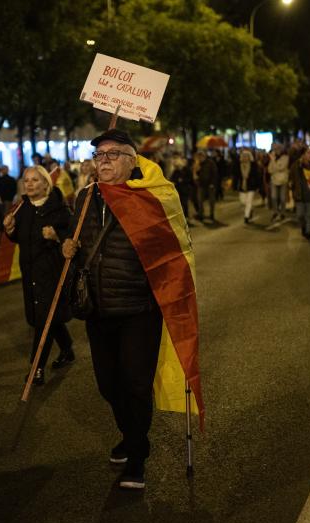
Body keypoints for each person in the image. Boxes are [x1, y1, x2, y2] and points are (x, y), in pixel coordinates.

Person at [61, 129, 200, 491]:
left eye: (111, 154)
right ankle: (131, 434)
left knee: (136, 384)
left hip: (140, 309)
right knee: (109, 385)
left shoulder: (150, 200)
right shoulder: (84, 199)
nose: (102, 161)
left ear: (131, 160)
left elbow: (173, 250)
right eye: (98, 155)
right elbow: (79, 247)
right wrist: (69, 250)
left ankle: (136, 456)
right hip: (98, 309)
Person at [3, 166, 74, 385]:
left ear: (46, 184)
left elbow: (73, 239)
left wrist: (57, 236)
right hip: (30, 273)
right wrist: (10, 230)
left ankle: (37, 367)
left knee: (44, 318)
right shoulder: (23, 208)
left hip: (52, 273)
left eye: (35, 180)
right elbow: (21, 239)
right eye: (26, 180)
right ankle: (67, 349)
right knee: (42, 317)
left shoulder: (59, 209)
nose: (29, 184)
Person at [289, 146, 310, 240]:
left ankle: (308, 231)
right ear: (303, 155)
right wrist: (291, 184)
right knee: (300, 215)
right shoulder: (296, 165)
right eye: (308, 153)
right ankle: (304, 227)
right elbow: (291, 176)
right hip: (299, 195)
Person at [233, 148, 261, 224]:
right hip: (242, 186)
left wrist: (258, 186)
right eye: (244, 156)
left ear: (249, 157)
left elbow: (257, 176)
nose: (245, 158)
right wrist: (234, 185)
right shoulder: (238, 165)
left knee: (249, 201)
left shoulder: (253, 165)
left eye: (247, 156)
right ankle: (250, 210)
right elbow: (236, 176)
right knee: (243, 201)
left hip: (251, 186)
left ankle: (246, 217)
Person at [268, 142, 290, 221]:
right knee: (274, 197)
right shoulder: (273, 158)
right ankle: (275, 212)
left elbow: (281, 167)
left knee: (282, 198)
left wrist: (274, 163)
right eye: (275, 149)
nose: (277, 151)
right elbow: (269, 169)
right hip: (274, 180)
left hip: (283, 180)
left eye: (278, 149)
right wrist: (275, 164)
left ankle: (283, 212)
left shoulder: (285, 157)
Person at [194, 151, 218, 222]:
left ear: (204, 156)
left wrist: (213, 183)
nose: (200, 158)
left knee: (211, 201)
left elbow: (215, 173)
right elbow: (196, 174)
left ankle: (211, 214)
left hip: (210, 185)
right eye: (198, 157)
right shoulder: (198, 164)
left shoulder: (210, 163)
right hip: (201, 184)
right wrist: (197, 170)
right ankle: (201, 214)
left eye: (201, 156)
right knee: (200, 200)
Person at [169, 154, 194, 220]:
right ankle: (181, 216)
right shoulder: (176, 171)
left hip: (185, 189)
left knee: (185, 203)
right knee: (179, 204)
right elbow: (172, 178)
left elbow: (190, 179)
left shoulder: (187, 170)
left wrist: (182, 180)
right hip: (178, 190)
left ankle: (186, 216)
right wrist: (173, 182)